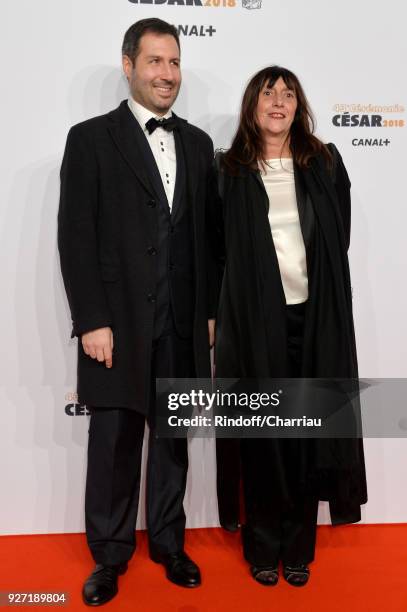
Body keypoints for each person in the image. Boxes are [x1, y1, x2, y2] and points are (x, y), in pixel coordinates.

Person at [58, 18, 216, 606]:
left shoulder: (200, 145)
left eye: (174, 63)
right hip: (117, 324)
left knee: (173, 441)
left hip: (181, 322)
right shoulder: (91, 138)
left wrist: (207, 314)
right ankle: (108, 557)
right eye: (155, 62)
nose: (167, 74)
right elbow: (76, 235)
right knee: (115, 442)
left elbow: (207, 241)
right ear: (129, 66)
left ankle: (171, 545)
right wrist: (91, 319)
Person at [209, 66, 367, 587]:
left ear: (298, 106)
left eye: (288, 94)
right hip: (254, 327)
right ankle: (263, 545)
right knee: (262, 439)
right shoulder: (228, 169)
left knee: (307, 438)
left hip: (315, 322)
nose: (278, 102)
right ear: (252, 104)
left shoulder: (322, 162)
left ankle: (299, 547)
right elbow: (216, 252)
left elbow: (336, 242)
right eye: (268, 93)